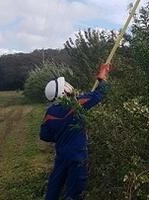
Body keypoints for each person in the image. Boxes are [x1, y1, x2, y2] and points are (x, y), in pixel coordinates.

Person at [40, 64, 110, 200]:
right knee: (75, 193)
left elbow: (44, 135)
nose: (68, 85)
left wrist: (62, 136)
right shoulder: (77, 105)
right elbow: (102, 92)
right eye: (65, 84)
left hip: (61, 156)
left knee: (54, 188)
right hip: (77, 157)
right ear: (63, 92)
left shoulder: (49, 113)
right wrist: (102, 76)